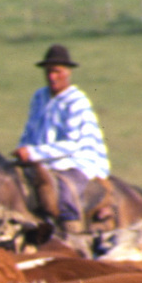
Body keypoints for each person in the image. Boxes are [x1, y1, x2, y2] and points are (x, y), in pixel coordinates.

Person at [14, 44, 111, 230]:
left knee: (65, 190)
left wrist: (33, 153)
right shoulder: (39, 97)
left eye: (57, 71)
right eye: (49, 71)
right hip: (43, 161)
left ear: (68, 72)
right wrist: (22, 151)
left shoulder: (76, 101)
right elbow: (29, 130)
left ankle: (72, 231)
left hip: (76, 160)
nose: (52, 76)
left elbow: (73, 144)